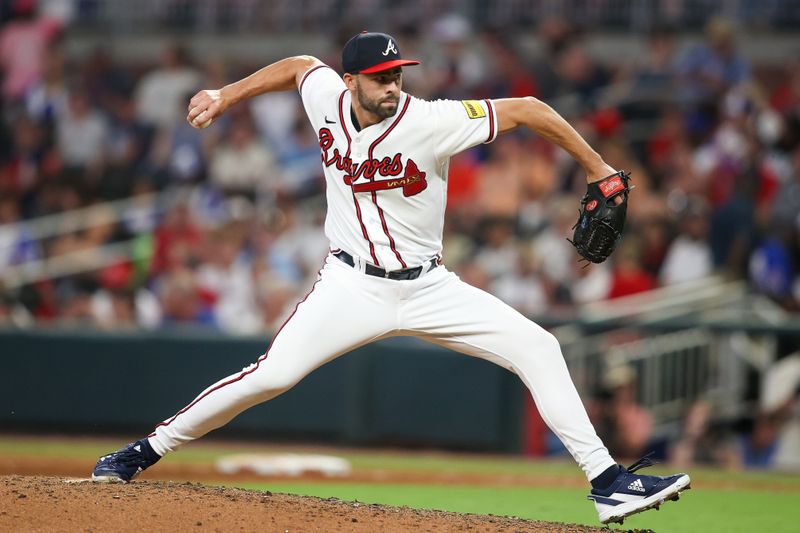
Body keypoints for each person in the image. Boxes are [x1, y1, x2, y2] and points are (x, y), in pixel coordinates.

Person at [91, 31, 690, 525]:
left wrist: (602, 170)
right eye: (381, 77)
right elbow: (299, 66)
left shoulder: (431, 120)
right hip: (350, 286)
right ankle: (145, 450)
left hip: (430, 287)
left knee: (539, 346)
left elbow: (529, 111)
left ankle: (608, 481)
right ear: (351, 82)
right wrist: (226, 94)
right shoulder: (326, 95)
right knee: (271, 375)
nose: (392, 85)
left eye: (397, 74)